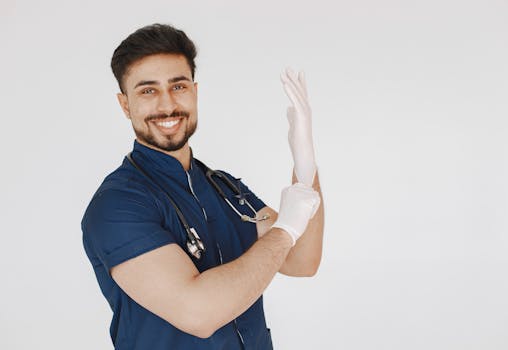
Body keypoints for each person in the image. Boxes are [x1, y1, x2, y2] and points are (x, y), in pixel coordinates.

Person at [81, 23, 325, 350]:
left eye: (178, 86)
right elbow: (199, 313)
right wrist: (285, 230)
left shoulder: (224, 188)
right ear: (125, 105)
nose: (167, 105)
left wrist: (305, 164)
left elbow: (301, 261)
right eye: (148, 91)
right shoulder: (117, 205)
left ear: (195, 92)